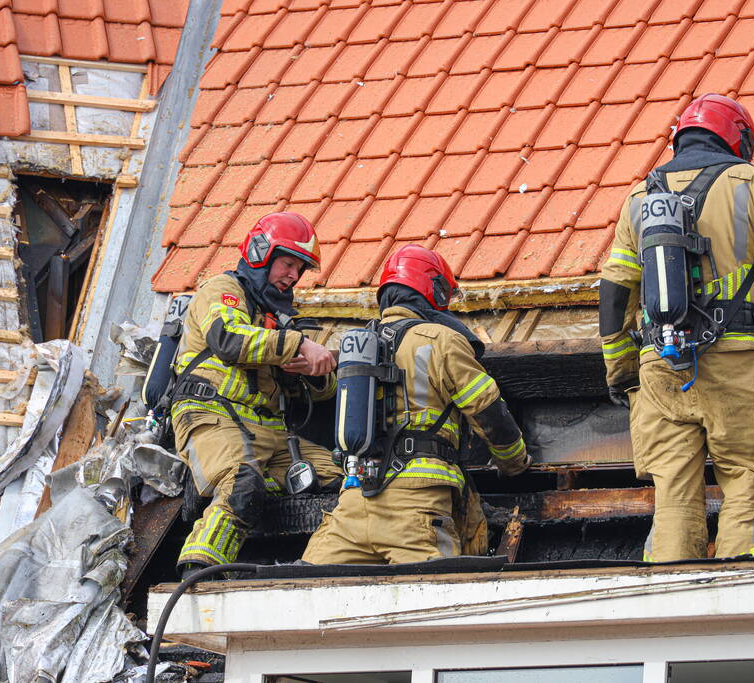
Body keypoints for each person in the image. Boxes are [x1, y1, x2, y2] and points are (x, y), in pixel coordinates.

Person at [599, 93, 754, 562]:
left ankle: (668, 606)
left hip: (660, 366)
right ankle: (740, 599)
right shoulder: (751, 183)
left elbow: (616, 290)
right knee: (750, 479)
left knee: (675, 493)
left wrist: (619, 369)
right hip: (740, 362)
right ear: (737, 139)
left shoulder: (639, 197)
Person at [302, 245, 531, 564]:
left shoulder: (360, 344)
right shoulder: (442, 340)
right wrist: (515, 462)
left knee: (304, 592)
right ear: (434, 291)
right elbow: (487, 408)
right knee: (439, 600)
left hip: (352, 507)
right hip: (416, 508)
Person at [172, 211, 342, 577]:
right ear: (261, 252)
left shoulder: (279, 321)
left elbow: (321, 395)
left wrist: (313, 373)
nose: (294, 276)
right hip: (213, 417)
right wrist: (297, 344)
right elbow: (228, 339)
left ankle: (324, 563)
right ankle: (200, 571)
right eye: (288, 263)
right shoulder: (222, 290)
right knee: (242, 483)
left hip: (272, 435)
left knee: (342, 477)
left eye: (300, 269)